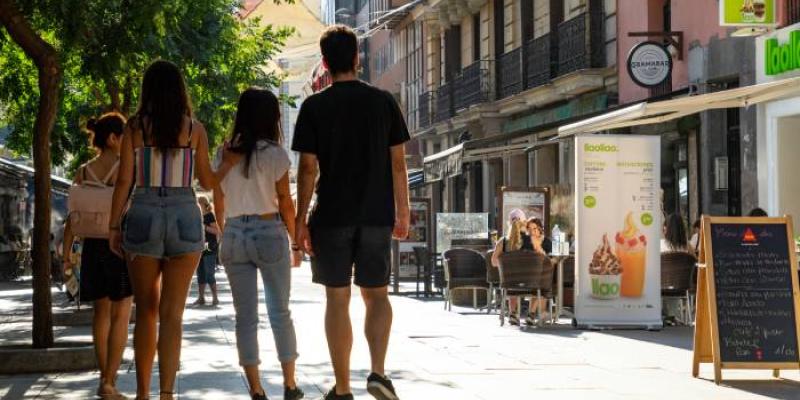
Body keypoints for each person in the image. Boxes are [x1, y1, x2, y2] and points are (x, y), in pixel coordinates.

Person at [292, 25, 409, 400]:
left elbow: (308, 169)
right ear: (357, 57)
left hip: (331, 216)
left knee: (337, 299)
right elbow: (398, 165)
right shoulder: (384, 102)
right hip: (376, 215)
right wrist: (402, 212)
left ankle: (342, 388)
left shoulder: (314, 106)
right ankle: (377, 373)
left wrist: (298, 221)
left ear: (325, 63)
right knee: (377, 295)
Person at [108, 60, 224, 400]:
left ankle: (143, 393)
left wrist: (115, 226)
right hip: (186, 215)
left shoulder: (134, 129)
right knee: (173, 315)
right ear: (180, 90)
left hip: (143, 212)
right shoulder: (194, 130)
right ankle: (167, 394)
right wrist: (226, 164)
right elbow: (206, 180)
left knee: (145, 310)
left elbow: (125, 181)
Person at [215, 88, 305, 400]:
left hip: (235, 233)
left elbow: (215, 190)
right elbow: (285, 202)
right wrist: (296, 243)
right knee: (280, 311)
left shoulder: (223, 152)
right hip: (269, 230)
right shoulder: (275, 154)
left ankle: (255, 388)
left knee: (245, 316)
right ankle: (290, 385)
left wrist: (223, 227)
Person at [62, 113, 132, 400]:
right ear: (114, 138)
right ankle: (109, 381)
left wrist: (66, 254)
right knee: (121, 316)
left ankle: (104, 378)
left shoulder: (83, 171)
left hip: (91, 246)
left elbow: (72, 218)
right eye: (125, 137)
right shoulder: (124, 168)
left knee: (100, 314)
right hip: (118, 245)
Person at [490, 210, 533, 326]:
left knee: (511, 278)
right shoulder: (532, 241)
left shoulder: (502, 242)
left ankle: (513, 313)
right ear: (524, 223)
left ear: (509, 223)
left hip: (509, 284)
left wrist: (505, 266)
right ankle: (531, 314)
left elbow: (494, 262)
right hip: (531, 284)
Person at [192, 195, 220, 307]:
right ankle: (201, 298)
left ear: (203, 204)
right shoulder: (196, 217)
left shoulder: (209, 216)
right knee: (201, 274)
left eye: (198, 203)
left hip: (210, 247)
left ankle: (215, 298)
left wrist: (204, 227)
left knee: (209, 273)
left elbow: (217, 231)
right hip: (199, 248)